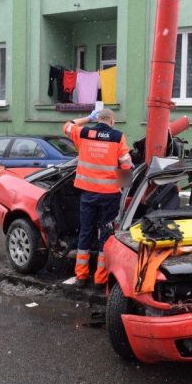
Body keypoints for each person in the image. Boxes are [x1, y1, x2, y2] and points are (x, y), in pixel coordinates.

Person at [63, 108, 132, 288]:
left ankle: (81, 276)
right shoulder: (118, 136)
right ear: (112, 121)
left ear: (98, 119)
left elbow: (67, 126)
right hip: (109, 195)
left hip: (88, 194)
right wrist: (124, 187)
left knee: (86, 232)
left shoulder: (84, 133)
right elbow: (126, 163)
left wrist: (87, 118)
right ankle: (100, 279)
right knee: (105, 234)